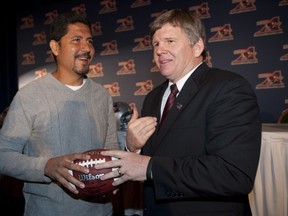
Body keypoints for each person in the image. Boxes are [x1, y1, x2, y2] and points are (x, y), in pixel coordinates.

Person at [95, 9, 262, 216]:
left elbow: (234, 173)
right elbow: (144, 162)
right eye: (156, 44)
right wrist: (133, 147)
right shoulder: (153, 97)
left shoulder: (229, 88)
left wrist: (149, 167)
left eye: (170, 41)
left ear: (197, 47)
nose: (159, 50)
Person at [0, 12, 119, 216]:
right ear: (55, 47)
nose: (86, 48)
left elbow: (110, 151)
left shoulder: (102, 95)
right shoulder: (29, 96)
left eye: (89, 41)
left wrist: (114, 174)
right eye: (76, 40)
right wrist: (45, 167)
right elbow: (3, 156)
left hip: (101, 211)